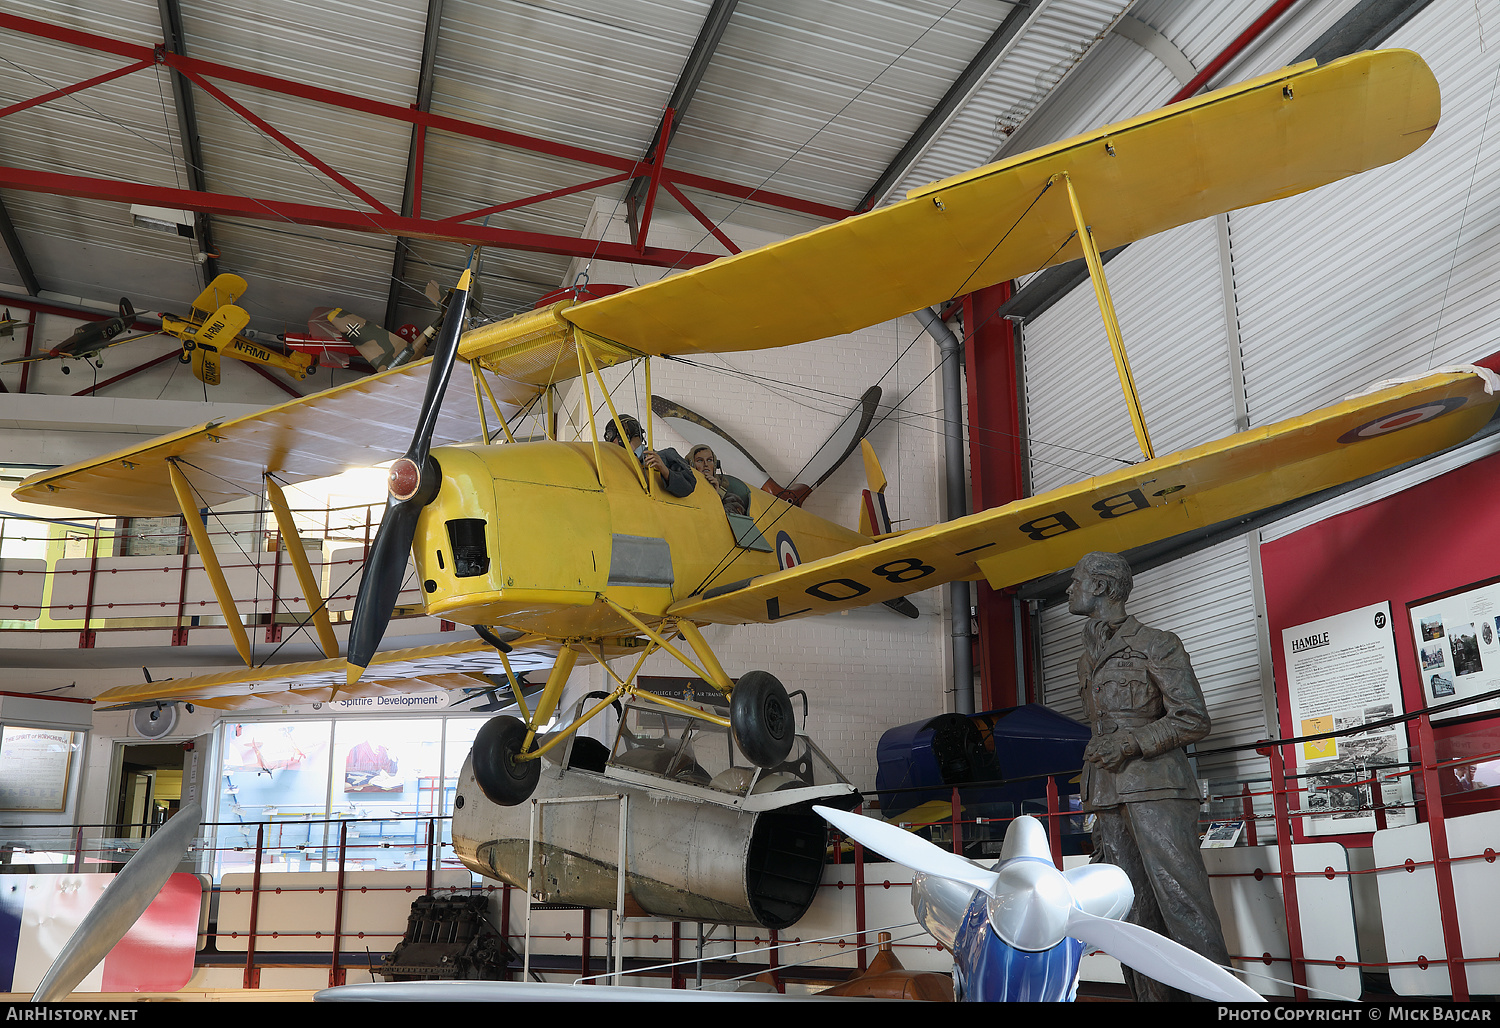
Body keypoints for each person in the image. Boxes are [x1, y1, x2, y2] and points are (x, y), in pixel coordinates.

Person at [1067, 550, 1232, 1002]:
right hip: (1106, 790)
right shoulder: (1087, 658)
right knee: (1130, 910)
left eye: (1076, 580)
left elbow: (1193, 719)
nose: (1069, 589)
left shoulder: (1157, 644)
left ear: (1100, 586)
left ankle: (1214, 1001)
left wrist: (1132, 742)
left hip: (1157, 788)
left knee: (1184, 905)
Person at [603, 414, 695, 498]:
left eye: (612, 436)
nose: (611, 442)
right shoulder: (615, 463)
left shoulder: (665, 455)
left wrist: (664, 470)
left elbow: (689, 486)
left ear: (627, 433)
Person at [688, 444, 751, 515]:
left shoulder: (731, 499)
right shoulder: (685, 491)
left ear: (715, 464)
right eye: (700, 460)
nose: (705, 464)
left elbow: (724, 519)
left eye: (709, 460)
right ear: (691, 464)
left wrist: (715, 495)